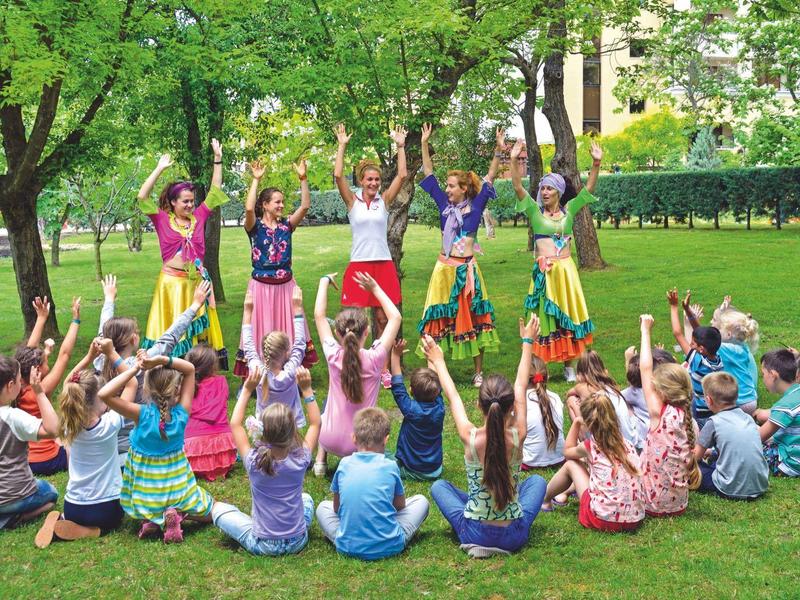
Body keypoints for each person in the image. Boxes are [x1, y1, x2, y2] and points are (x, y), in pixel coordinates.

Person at [425, 317, 549, 558]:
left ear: (480, 407)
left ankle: (479, 533)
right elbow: (521, 386)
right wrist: (527, 342)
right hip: (513, 536)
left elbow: (453, 397)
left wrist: (439, 361)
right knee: (537, 482)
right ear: (511, 406)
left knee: (440, 486)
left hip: (474, 533)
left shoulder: (470, 437)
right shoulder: (518, 434)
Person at [415, 123, 503, 387]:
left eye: (452, 186)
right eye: (447, 186)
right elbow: (428, 174)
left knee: (476, 318)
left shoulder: (475, 208)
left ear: (464, 189)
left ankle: (478, 372)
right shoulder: (444, 206)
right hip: (444, 270)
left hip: (467, 272)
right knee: (436, 317)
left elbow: (490, 177)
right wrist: (424, 143)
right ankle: (432, 371)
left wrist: (498, 150)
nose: (448, 189)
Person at [94, 277, 214, 467]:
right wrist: (194, 306)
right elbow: (171, 337)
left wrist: (109, 300)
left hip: (106, 448)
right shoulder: (142, 363)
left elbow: (103, 333)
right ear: (134, 339)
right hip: (134, 450)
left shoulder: (100, 361)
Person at [509, 139, 602, 381]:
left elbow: (588, 191)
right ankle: (540, 366)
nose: (544, 192)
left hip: (566, 272)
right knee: (542, 318)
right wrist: (513, 160)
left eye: (549, 189)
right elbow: (518, 186)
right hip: (544, 273)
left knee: (568, 315)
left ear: (559, 192)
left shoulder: (570, 209)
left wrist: (596, 163)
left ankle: (570, 367)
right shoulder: (534, 211)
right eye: (542, 188)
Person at [98, 352, 214, 543]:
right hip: (177, 491)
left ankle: (153, 519)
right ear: (177, 390)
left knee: (150, 497)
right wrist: (161, 360)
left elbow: (104, 394)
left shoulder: (139, 414)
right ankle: (172, 515)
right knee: (211, 507)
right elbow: (190, 369)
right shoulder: (182, 413)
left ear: (146, 388)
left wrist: (135, 368)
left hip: (146, 495)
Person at [136, 140, 229, 368]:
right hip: (171, 286)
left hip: (195, 283)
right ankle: (168, 368)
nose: (190, 205)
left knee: (194, 330)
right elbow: (142, 197)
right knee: (172, 327)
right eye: (185, 201)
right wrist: (159, 169)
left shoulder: (199, 216)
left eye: (192, 201)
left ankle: (194, 370)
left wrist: (217, 158)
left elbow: (215, 191)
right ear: (173, 202)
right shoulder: (161, 219)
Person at [212, 366, 320, 556]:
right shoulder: (301, 458)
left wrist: (247, 389)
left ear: (263, 431)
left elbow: (235, 424)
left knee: (219, 509)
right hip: (297, 540)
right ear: (293, 430)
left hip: (263, 544)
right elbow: (315, 423)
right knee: (307, 499)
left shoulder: (254, 462)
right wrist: (307, 389)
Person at [333, 124, 408, 388]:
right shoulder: (352, 202)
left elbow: (402, 174)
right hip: (359, 265)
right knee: (352, 321)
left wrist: (400, 146)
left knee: (382, 318)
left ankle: (383, 369)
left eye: (377, 180)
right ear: (362, 182)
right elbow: (338, 175)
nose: (374, 183)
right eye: (369, 180)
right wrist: (341, 145)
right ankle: (351, 365)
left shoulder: (384, 201)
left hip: (383, 265)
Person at [35, 342, 126, 548]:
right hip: (108, 509)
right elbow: (131, 384)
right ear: (100, 398)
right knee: (114, 521)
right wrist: (112, 354)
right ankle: (92, 531)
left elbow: (69, 382)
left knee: (76, 512)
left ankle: (64, 519)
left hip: (74, 507)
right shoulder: (110, 424)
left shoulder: (68, 426)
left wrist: (88, 356)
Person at [233, 158, 316, 376]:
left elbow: (305, 206)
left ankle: (290, 371)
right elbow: (249, 207)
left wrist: (303, 178)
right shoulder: (254, 227)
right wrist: (256, 180)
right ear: (265, 205)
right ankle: (258, 372)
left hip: (286, 285)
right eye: (277, 202)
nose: (281, 205)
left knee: (288, 327)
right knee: (262, 327)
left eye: (282, 202)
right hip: (261, 286)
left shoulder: (286, 226)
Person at [313, 272, 401, 477]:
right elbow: (395, 317)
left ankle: (320, 460)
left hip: (329, 438)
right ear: (367, 332)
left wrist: (323, 281)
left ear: (337, 334)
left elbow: (319, 315)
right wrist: (375, 288)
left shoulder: (333, 355)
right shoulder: (377, 357)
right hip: (362, 444)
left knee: (328, 405)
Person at [316, 407, 430, 561]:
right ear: (386, 439)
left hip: (348, 546)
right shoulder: (390, 466)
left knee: (323, 507)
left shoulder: (344, 464)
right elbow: (400, 506)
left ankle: (348, 535)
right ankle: (383, 532)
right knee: (421, 501)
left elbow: (336, 508)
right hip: (390, 544)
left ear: (354, 438)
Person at [541, 392, 645, 532]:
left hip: (603, 520)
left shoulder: (591, 447)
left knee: (571, 465)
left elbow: (568, 452)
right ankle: (564, 493)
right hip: (634, 519)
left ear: (588, 422)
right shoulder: (627, 445)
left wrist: (577, 422)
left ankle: (545, 500)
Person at [638, 314, 700, 517]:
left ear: (662, 393)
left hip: (651, 504)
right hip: (678, 505)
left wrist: (645, 330)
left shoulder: (659, 413)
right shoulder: (688, 419)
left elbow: (645, 368)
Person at [15, 296, 81, 475]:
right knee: (69, 437)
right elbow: (65, 354)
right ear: (37, 369)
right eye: (45, 361)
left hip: (27, 461)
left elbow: (27, 355)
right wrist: (75, 319)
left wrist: (41, 318)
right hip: (50, 460)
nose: (47, 359)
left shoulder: (16, 388)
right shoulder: (42, 389)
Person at [0, 358, 59, 533]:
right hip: (14, 495)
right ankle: (16, 517)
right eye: (19, 381)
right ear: (11, 385)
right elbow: (53, 429)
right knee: (51, 493)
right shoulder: (12, 417)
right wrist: (38, 391)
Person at [241, 287, 308, 429]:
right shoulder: (290, 373)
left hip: (266, 429)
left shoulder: (258, 373)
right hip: (291, 428)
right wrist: (297, 308)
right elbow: (301, 343)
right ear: (286, 352)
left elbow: (248, 346)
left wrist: (247, 312)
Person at [694, 372, 768, 499]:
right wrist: (711, 452)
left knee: (695, 468)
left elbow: (695, 457)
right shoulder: (748, 418)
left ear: (708, 400)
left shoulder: (713, 422)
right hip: (760, 485)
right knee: (717, 457)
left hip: (729, 487)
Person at [688, 294, 760, 415]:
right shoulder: (743, 348)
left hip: (738, 401)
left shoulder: (725, 349)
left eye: (720, 328)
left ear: (728, 335)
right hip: (751, 398)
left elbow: (703, 337)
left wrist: (690, 316)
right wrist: (723, 309)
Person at [388, 339, 445, 481]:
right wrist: (432, 357)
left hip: (412, 469)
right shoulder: (440, 406)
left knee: (382, 455)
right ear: (437, 391)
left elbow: (398, 386)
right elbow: (434, 379)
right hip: (435, 470)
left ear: (411, 390)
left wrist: (395, 355)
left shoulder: (410, 409)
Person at [667, 288, 723, 430]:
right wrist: (686, 310)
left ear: (701, 349)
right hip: (714, 408)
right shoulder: (717, 358)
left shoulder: (698, 362)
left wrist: (674, 307)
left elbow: (677, 333)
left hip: (700, 412)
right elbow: (700, 330)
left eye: (692, 343)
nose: (690, 344)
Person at [184, 344, 236, 481]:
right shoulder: (222, 382)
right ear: (213, 365)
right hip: (223, 454)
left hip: (192, 456)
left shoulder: (184, 385)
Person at [566, 350, 639, 448]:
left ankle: (585, 444)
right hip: (631, 441)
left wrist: (580, 391)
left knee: (571, 400)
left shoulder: (582, 387)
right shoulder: (611, 386)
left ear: (581, 374)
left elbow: (568, 394)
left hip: (614, 446)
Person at [754, 349, 800, 477]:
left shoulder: (785, 405)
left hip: (791, 463)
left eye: (763, 374)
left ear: (773, 375)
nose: (762, 379)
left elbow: (758, 438)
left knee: (747, 446)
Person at [622, 345, 677, 451]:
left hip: (646, 439)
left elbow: (622, 393)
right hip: (667, 437)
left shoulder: (636, 392)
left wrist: (628, 360)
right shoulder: (665, 388)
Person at [521, 355, 564, 470]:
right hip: (560, 458)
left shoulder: (520, 401)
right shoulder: (555, 397)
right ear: (547, 376)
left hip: (530, 462)